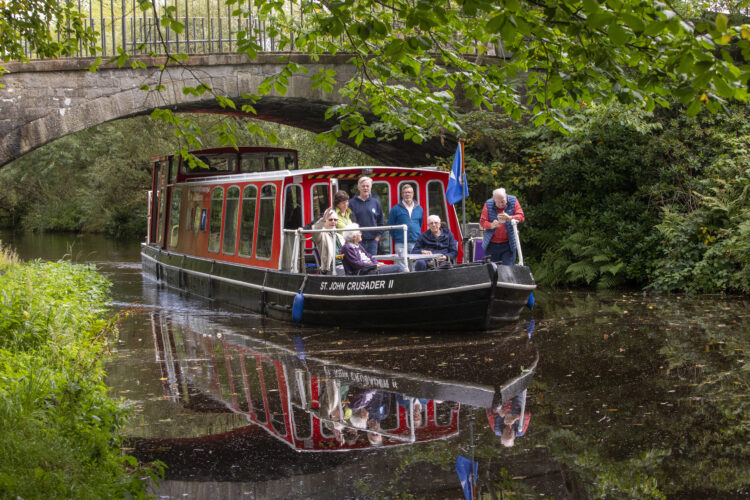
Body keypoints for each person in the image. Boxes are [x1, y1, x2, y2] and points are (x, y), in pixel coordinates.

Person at [479, 188, 525, 266]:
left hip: (508, 244)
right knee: (492, 272)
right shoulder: (488, 204)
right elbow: (482, 222)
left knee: (507, 271)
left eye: (503, 201)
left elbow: (521, 217)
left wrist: (510, 218)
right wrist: (491, 225)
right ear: (494, 200)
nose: (501, 204)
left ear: (506, 197)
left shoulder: (513, 201)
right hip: (491, 245)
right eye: (498, 202)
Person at [387, 183, 423, 271]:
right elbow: (390, 226)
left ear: (413, 194)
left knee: (415, 265)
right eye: (405, 192)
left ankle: (415, 283)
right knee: (402, 266)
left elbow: (420, 223)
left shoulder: (419, 208)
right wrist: (398, 236)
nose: (407, 194)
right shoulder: (395, 209)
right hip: (400, 243)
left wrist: (416, 234)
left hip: (415, 242)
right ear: (402, 194)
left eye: (409, 192)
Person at [348, 176, 384, 255]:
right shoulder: (351, 203)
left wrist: (377, 238)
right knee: (358, 265)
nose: (365, 188)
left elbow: (381, 222)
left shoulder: (376, 203)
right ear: (358, 187)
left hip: (372, 242)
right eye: (363, 186)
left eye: (367, 186)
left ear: (371, 187)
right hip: (357, 242)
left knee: (372, 265)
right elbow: (349, 222)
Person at [305, 207, 342, 274]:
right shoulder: (322, 234)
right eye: (330, 220)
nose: (333, 221)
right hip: (331, 267)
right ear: (325, 221)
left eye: (335, 220)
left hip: (344, 264)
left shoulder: (340, 236)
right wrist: (323, 219)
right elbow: (315, 229)